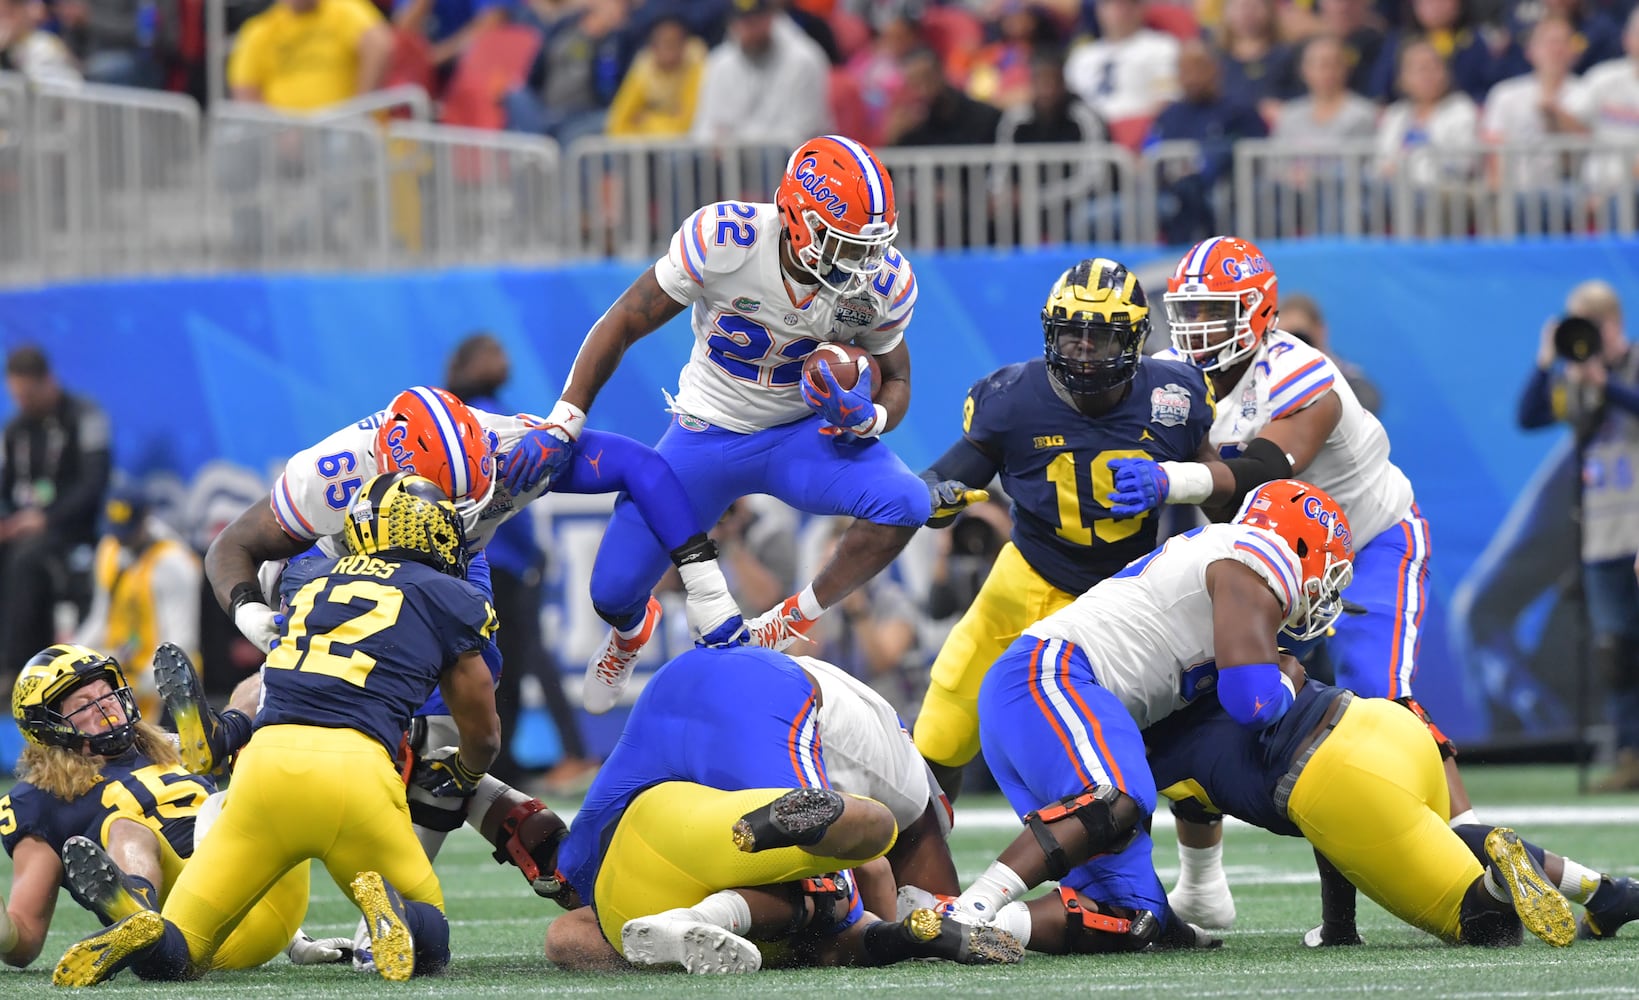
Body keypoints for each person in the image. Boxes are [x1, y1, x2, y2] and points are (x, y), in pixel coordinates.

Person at [203, 384, 745, 869]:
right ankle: (239, 725)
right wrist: (253, 616)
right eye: (445, 507)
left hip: (456, 566)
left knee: (455, 713)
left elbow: (641, 467)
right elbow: (232, 547)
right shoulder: (329, 476)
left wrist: (700, 577)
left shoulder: (515, 450)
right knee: (336, 693)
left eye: (472, 505)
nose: (455, 519)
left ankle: (424, 864)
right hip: (333, 565)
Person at [52, 472, 506, 985]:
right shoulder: (450, 596)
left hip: (263, 767)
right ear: (433, 531)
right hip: (353, 773)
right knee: (431, 943)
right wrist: (465, 771)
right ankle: (396, 909)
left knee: (180, 955)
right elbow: (483, 733)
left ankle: (149, 930)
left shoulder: (310, 580)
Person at [1107, 235, 1440, 932]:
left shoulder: (1298, 372)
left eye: (1213, 312)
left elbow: (1263, 470)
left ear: (1258, 314)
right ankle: (1205, 886)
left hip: (1369, 542)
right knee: (1194, 699)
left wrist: (1172, 476)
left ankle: (1472, 843)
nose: (1194, 329)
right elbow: (1228, 505)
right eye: (1186, 311)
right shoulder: (1174, 378)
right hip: (1275, 562)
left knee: (1381, 707)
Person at [540, 134, 931, 713]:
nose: (861, 263)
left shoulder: (879, 284)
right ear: (799, 220)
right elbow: (625, 319)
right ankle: (630, 631)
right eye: (845, 244)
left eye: (868, 246)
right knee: (612, 591)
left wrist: (869, 416)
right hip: (707, 432)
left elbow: (896, 380)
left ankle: (784, 621)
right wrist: (567, 415)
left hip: (803, 436)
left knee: (907, 503)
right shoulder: (727, 240)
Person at [946, 480, 1356, 955]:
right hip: (1050, 675)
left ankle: (988, 923)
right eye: (1327, 570)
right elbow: (1253, 701)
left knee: (1133, 917)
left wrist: (1171, 931)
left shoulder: (1226, 561)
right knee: (1118, 798)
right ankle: (973, 907)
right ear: (1300, 545)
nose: (1324, 591)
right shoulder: (1257, 558)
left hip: (1040, 697)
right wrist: (1287, 674)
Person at [888, 258, 1214, 801]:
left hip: (1131, 590)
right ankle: (920, 875)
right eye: (1072, 335)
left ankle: (1200, 883)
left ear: (1134, 340)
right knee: (943, 729)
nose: (1084, 351)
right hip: (1030, 575)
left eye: (1102, 339)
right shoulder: (1013, 397)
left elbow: (1222, 487)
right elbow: (947, 474)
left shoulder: (1174, 398)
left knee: (1182, 751)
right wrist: (932, 498)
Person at [540, 644, 1019, 973]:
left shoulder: (897, 764)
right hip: (764, 707)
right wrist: (901, 932)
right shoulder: (910, 800)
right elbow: (876, 870)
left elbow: (567, 908)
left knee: (571, 882)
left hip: (680, 683)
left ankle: (690, 924)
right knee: (841, 896)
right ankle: (740, 897)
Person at [1141, 672, 1590, 949]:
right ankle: (1600, 889)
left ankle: (1496, 877)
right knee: (1434, 835)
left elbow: (1330, 813)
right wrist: (1339, 928)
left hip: (1344, 782)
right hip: (1383, 721)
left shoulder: (1147, 759)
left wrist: (1175, 932)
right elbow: (1327, 832)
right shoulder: (1210, 663)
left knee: (1487, 929)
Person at [0, 642, 321, 973]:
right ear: (48, 727)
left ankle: (220, 732)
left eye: (107, 693)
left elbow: (260, 687)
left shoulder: (170, 745)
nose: (106, 706)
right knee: (124, 825)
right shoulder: (39, 798)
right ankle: (139, 918)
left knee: (270, 718)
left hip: (261, 889)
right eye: (84, 704)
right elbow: (23, 942)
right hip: (195, 926)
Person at [443, 334, 587, 789]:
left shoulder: (455, 417)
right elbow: (507, 498)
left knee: (502, 662)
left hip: (476, 559)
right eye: (491, 354)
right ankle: (499, 762)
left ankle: (496, 759)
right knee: (506, 665)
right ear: (467, 365)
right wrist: (533, 553)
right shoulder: (485, 413)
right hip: (499, 563)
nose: (502, 360)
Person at [1518, 280, 1639, 792]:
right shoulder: (1579, 381)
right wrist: (1548, 364)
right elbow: (1529, 416)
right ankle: (1631, 754)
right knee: (1616, 652)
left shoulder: (1629, 368)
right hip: (1602, 533)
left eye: (1590, 325)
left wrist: (1603, 378)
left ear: (1612, 326)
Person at [0, 345, 111, 686]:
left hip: (70, 531)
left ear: (48, 381)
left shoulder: (85, 416)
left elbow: (94, 484)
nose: (24, 403)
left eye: (30, 394)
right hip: (23, 530)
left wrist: (46, 518)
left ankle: (16, 670)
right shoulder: (15, 429)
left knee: (25, 560)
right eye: (17, 396)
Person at [74, 485, 202, 721]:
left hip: (164, 686)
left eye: (128, 532)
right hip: (121, 672)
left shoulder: (173, 564)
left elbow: (180, 644)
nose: (122, 541)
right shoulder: (110, 547)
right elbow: (100, 619)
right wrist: (71, 657)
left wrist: (134, 686)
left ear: (146, 519)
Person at [226, 0, 394, 112]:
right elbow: (245, 91)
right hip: (283, 147)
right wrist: (278, 133)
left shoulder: (343, 9)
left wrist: (359, 110)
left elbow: (379, 44)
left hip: (343, 133)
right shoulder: (261, 29)